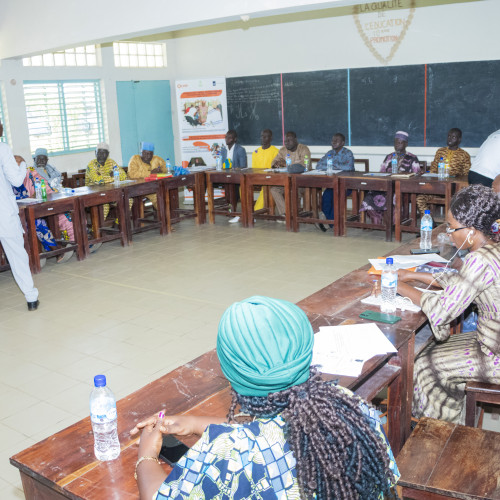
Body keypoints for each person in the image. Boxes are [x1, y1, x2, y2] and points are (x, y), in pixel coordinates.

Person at [131, 296, 400, 499]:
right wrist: (194, 422)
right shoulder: (351, 409)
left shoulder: (230, 453)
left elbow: (159, 495)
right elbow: (275, 430)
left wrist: (146, 455)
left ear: (232, 373)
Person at [397, 184, 500, 424]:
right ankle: (457, 418)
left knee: (425, 365)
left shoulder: (479, 259)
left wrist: (402, 288)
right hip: (492, 342)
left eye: (452, 228)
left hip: (495, 355)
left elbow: (443, 310)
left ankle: (439, 433)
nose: (449, 234)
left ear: (472, 231)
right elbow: (464, 282)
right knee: (430, 348)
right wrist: (414, 276)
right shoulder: (492, 247)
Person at [0, 121, 39, 310]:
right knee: (16, 255)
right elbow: (16, 180)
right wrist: (22, 163)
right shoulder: (2, 149)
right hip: (4, 213)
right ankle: (31, 298)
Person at [14, 158, 74, 263]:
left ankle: (54, 251)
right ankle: (34, 255)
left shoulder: (29, 175)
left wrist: (33, 195)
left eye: (21, 166)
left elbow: (34, 191)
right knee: (26, 224)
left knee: (38, 221)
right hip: (11, 214)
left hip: (27, 210)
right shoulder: (7, 179)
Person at [360, 131, 420, 225]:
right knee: (369, 195)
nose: (397, 145)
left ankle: (393, 225)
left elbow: (416, 177)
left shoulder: (412, 158)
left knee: (393, 196)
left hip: (402, 188)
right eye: (396, 142)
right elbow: (382, 173)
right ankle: (376, 221)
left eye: (400, 142)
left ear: (406, 144)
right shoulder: (389, 157)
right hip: (386, 186)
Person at [416, 128, 471, 214]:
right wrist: (426, 173)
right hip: (436, 188)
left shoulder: (464, 155)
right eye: (449, 136)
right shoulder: (440, 151)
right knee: (420, 199)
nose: (450, 139)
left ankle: (450, 224)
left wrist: (456, 176)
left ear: (459, 139)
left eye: (453, 137)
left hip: (454, 191)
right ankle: (430, 222)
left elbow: (466, 175)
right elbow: (433, 170)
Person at [316, 133, 354, 230]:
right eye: (333, 140)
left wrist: (332, 165)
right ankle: (326, 221)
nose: (333, 142)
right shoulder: (329, 153)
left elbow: (348, 167)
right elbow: (319, 165)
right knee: (326, 196)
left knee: (337, 196)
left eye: (337, 140)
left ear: (342, 143)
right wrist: (336, 166)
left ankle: (329, 223)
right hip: (332, 184)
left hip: (346, 185)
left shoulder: (348, 153)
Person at [270, 131, 311, 217]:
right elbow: (273, 162)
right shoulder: (283, 150)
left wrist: (285, 164)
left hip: (302, 182)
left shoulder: (304, 149)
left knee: (293, 189)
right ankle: (286, 214)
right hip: (286, 181)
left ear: (295, 140)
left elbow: (302, 165)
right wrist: (276, 164)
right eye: (285, 141)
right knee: (274, 189)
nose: (286, 143)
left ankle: (293, 213)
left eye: (289, 140)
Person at [86, 142, 128, 219]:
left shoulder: (111, 162)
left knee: (128, 200)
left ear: (108, 154)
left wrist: (108, 177)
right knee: (104, 206)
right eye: (99, 153)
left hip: (111, 193)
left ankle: (119, 225)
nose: (101, 155)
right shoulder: (91, 165)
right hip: (94, 195)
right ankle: (96, 229)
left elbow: (123, 175)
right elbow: (98, 180)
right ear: (95, 153)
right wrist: (113, 176)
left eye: (104, 153)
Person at [128, 142, 166, 210]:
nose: (147, 156)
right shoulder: (135, 159)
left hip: (153, 187)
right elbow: (132, 174)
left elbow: (166, 169)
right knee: (157, 195)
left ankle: (166, 216)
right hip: (138, 188)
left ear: (153, 154)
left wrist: (161, 171)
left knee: (164, 195)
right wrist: (150, 173)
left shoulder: (157, 159)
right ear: (141, 152)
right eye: (145, 153)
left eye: (150, 154)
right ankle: (164, 216)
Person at [220, 130, 247, 223]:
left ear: (235, 139)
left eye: (229, 137)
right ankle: (229, 209)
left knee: (233, 188)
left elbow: (243, 166)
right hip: (225, 176)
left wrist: (235, 169)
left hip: (236, 177)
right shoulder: (223, 150)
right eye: (226, 137)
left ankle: (234, 211)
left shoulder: (240, 149)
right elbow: (222, 164)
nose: (227, 139)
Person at [250, 129, 279, 212]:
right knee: (242, 186)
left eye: (265, 137)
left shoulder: (275, 151)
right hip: (257, 177)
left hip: (270, 178)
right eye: (262, 136)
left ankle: (256, 211)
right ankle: (247, 209)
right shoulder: (256, 152)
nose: (263, 138)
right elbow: (254, 168)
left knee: (266, 188)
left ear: (271, 138)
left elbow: (276, 169)